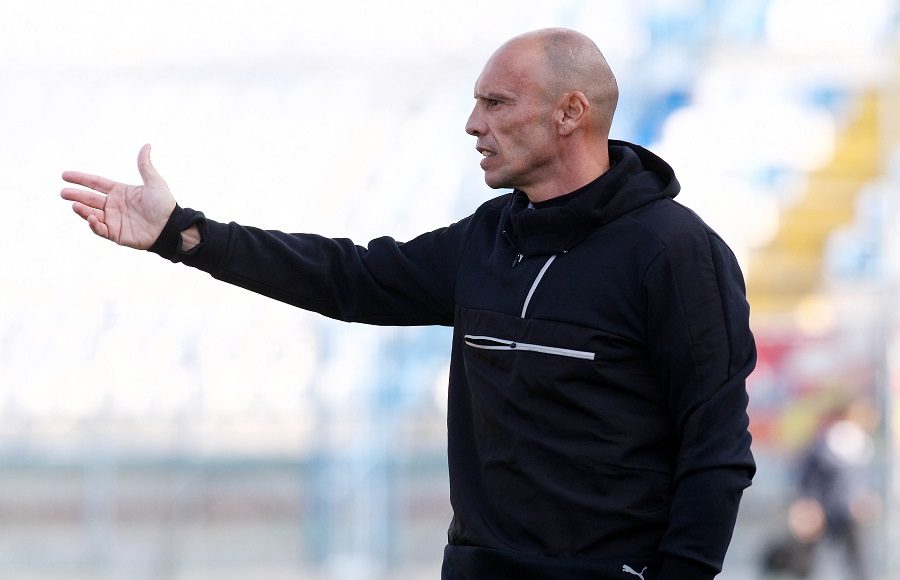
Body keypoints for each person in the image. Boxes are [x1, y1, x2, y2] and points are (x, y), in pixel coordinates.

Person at [60, 28, 756, 580]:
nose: (473, 124)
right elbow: (349, 277)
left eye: (496, 103)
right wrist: (183, 234)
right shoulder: (488, 237)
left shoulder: (673, 252)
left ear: (570, 112)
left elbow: (716, 448)